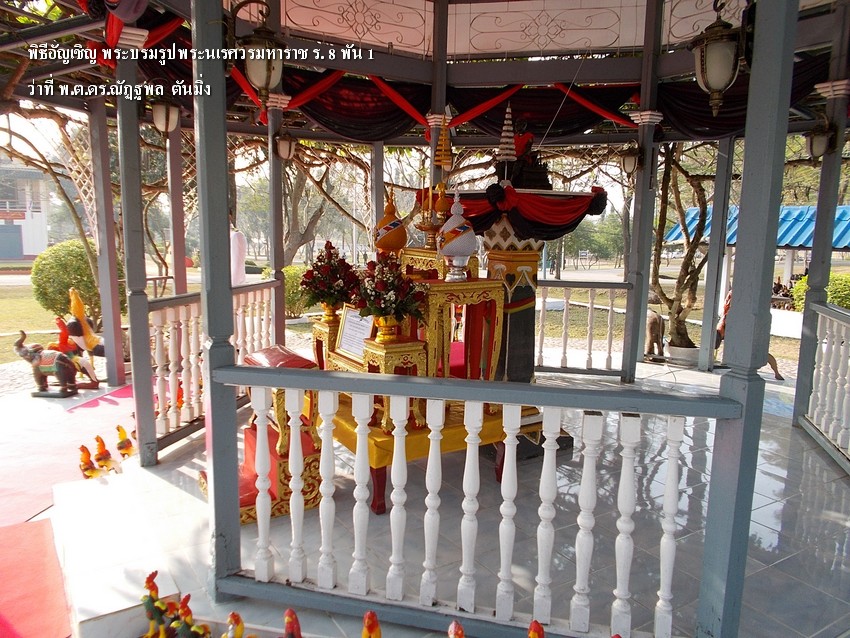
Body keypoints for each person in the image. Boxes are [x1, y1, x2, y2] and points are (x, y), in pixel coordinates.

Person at [715, 290, 784, 380]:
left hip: (745, 334)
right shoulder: (729, 315)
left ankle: (776, 372)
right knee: (761, 354)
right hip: (742, 334)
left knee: (761, 353)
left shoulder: (730, 314)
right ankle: (776, 373)